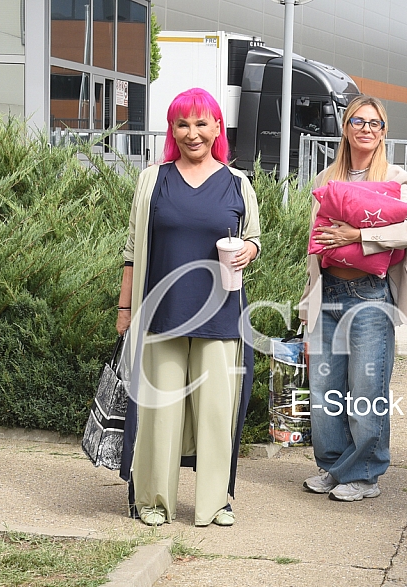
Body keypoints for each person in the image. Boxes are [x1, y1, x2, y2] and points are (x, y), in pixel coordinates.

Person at [115, 88, 261, 527]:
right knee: (161, 414)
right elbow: (131, 251)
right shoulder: (151, 180)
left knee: (217, 413)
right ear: (172, 130)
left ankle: (214, 502)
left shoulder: (238, 183)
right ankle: (153, 501)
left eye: (202, 123)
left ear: (218, 128)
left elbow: (253, 238)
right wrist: (124, 311)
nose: (192, 133)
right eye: (183, 124)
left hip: (221, 316)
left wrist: (249, 252)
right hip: (162, 313)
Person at [299, 95, 407, 502]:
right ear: (345, 127)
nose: (366, 129)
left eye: (374, 123)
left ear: (383, 131)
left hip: (370, 296)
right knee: (325, 390)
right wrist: (307, 303)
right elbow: (314, 244)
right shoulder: (325, 179)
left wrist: (360, 236)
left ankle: (366, 474)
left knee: (366, 387)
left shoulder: (396, 176)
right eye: (358, 121)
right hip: (330, 291)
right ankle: (336, 467)